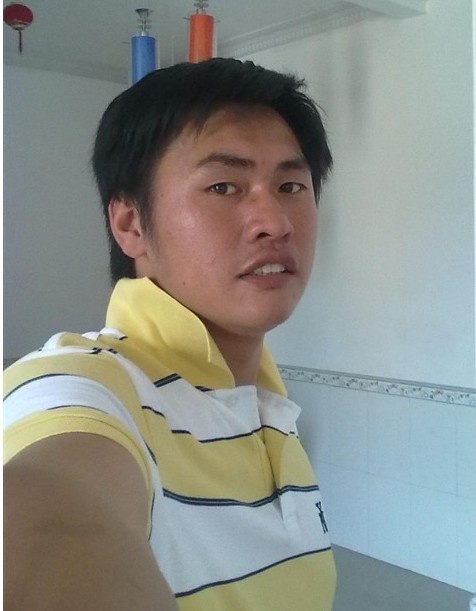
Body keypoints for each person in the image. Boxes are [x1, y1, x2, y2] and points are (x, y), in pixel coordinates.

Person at [4, 57, 335, 611]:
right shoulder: (88, 385)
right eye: (224, 186)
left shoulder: (266, 405)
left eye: (291, 185)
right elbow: (52, 516)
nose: (275, 221)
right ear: (130, 224)